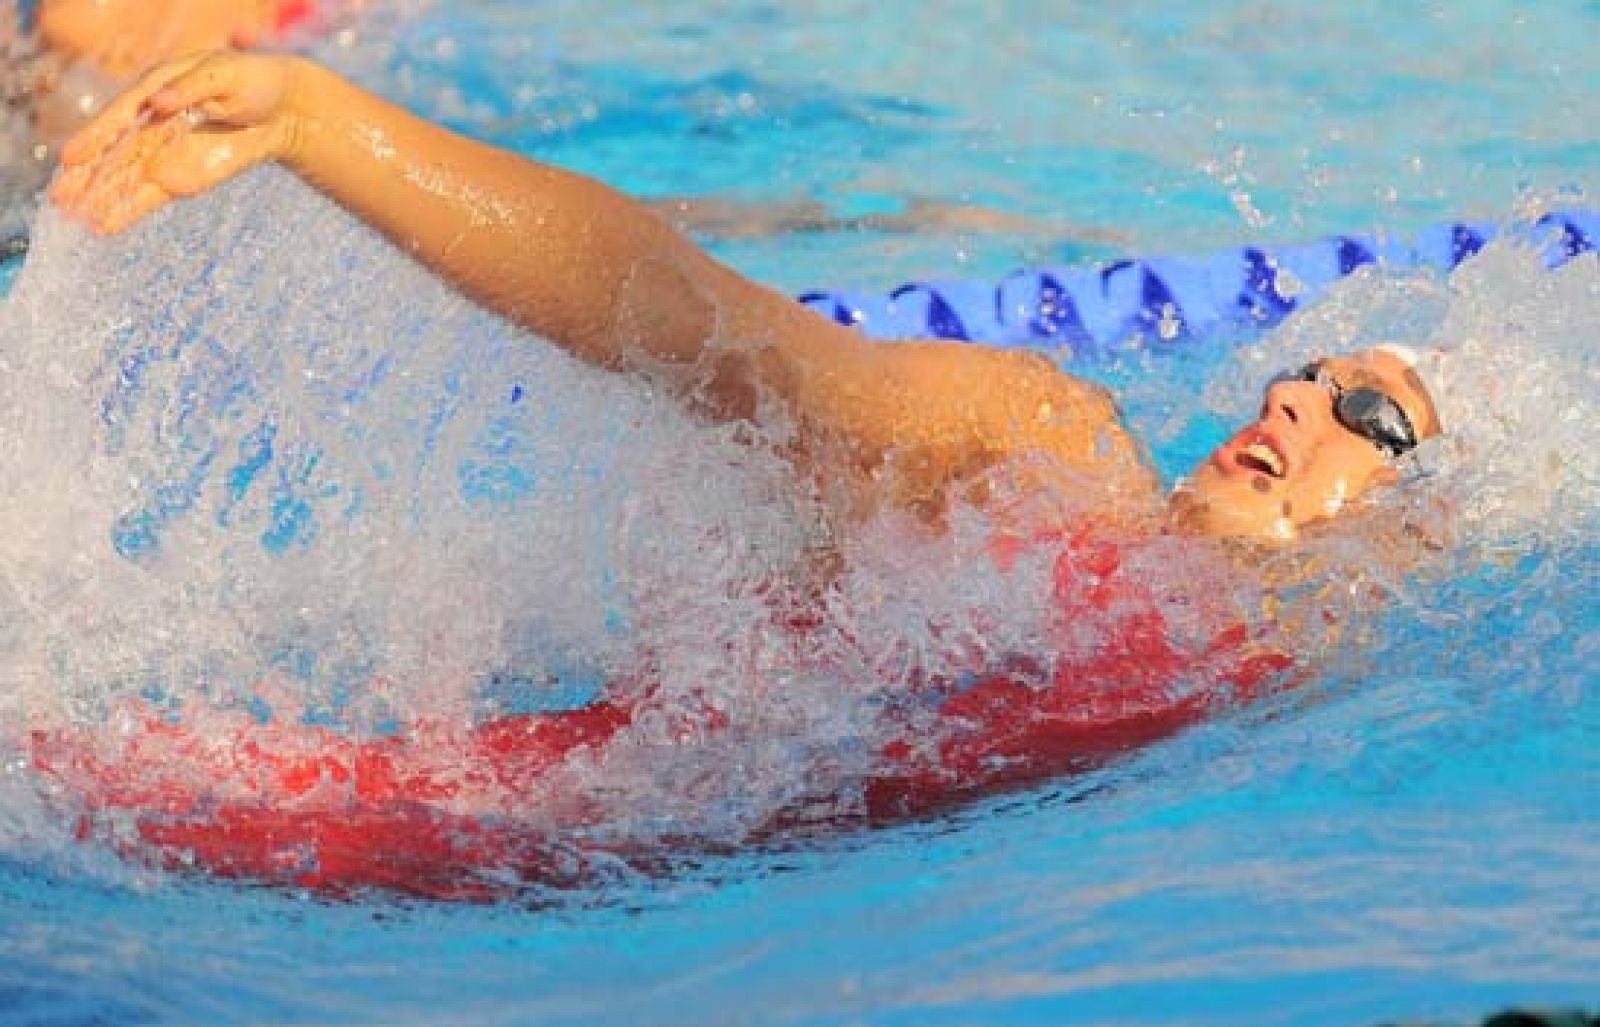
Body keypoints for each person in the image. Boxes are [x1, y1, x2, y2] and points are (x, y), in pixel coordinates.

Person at [33, 52, 1446, 894]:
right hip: (421, 821)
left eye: (1367, 415)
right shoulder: (1050, 459)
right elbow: (700, 331)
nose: (1291, 397)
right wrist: (326, 130)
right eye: (1297, 374)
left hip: (599, 898)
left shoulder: (1324, 660)